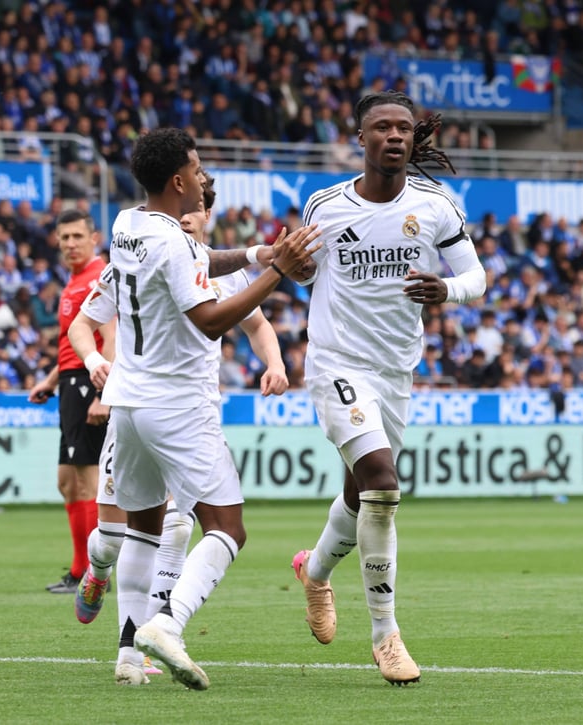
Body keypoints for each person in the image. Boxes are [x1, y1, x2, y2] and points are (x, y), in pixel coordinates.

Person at [66, 127, 319, 690]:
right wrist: (277, 272)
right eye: (197, 165)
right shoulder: (174, 244)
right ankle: (168, 626)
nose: (202, 173)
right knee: (226, 528)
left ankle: (129, 658)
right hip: (177, 403)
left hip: (128, 401)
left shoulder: (128, 225)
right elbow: (208, 320)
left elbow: (200, 257)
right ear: (179, 179)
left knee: (145, 530)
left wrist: (260, 254)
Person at [290, 91, 486, 685]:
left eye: (403, 127)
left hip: (395, 370)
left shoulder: (436, 207)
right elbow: (301, 272)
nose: (394, 136)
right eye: (382, 127)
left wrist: (446, 291)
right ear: (361, 137)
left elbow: (476, 276)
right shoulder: (324, 206)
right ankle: (386, 634)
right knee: (382, 481)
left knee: (361, 497)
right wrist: (294, 268)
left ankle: (315, 571)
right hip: (337, 363)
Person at [27, 209, 116, 594]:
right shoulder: (75, 281)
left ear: (94, 238)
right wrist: (51, 380)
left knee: (86, 480)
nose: (70, 244)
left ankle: (91, 574)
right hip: (70, 382)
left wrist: (103, 393)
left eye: (77, 236)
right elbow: (70, 343)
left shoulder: (99, 276)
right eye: (63, 238)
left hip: (88, 384)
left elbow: (111, 337)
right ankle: (82, 567)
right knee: (68, 481)